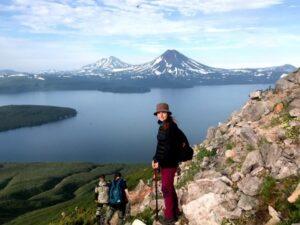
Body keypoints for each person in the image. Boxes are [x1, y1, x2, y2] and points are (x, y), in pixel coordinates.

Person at [152, 103, 187, 225]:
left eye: (163, 112)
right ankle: (175, 211)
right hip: (169, 162)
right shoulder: (168, 126)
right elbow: (161, 146)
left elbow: (167, 148)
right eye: (159, 113)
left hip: (168, 163)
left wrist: (159, 161)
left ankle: (169, 218)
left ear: (168, 114)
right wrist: (155, 158)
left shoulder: (168, 128)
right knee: (170, 187)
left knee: (166, 188)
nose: (161, 115)